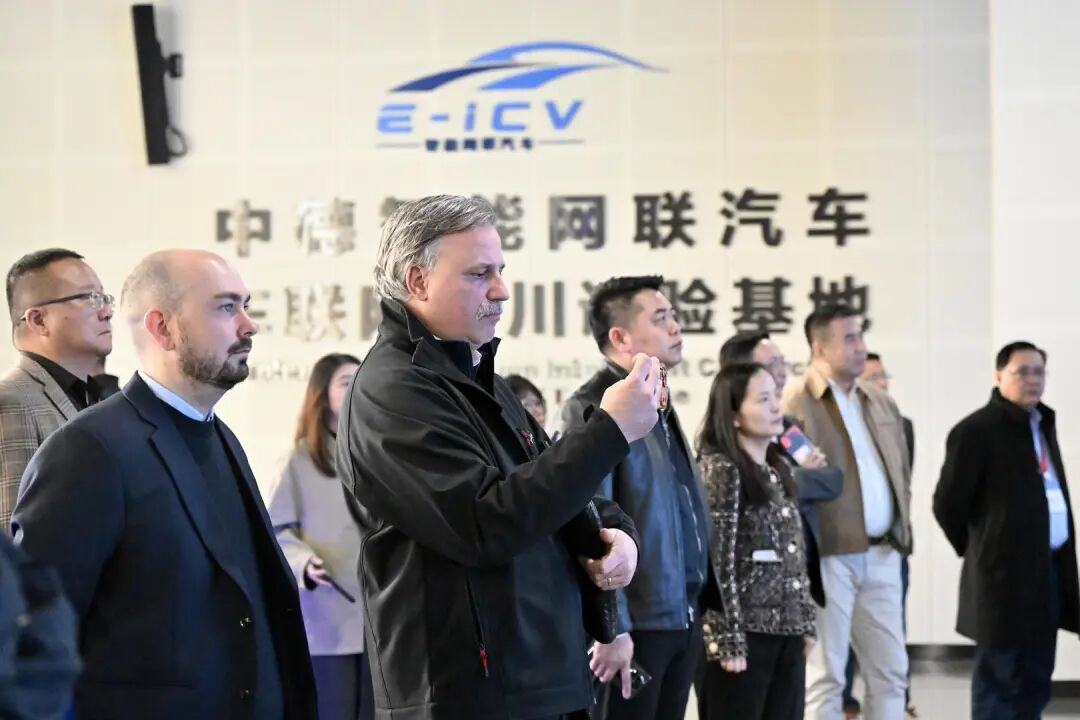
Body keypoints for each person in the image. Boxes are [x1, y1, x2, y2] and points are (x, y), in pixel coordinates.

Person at [337, 195, 660, 720]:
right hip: (472, 693)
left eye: (500, 271)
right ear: (417, 282)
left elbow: (549, 485)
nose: (501, 290)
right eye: (479, 273)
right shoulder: (392, 390)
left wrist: (617, 534)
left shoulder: (475, 376)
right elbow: (485, 523)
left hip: (538, 679)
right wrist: (610, 430)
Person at [11, 249, 317, 720]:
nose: (248, 325)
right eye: (225, 307)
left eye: (246, 305)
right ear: (163, 328)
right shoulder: (90, 450)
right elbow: (34, 636)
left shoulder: (221, 437)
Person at [559, 275, 708, 720]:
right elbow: (592, 525)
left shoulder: (657, 401)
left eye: (673, 315)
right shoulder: (594, 405)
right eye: (660, 318)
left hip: (680, 615)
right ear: (620, 337)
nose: (676, 327)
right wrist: (614, 627)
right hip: (637, 626)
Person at [934, 341, 1079, 720]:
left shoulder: (1041, 424)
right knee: (999, 684)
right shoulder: (975, 431)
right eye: (1022, 371)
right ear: (999, 376)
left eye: (1039, 371)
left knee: (1035, 680)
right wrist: (983, 548)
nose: (1032, 380)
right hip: (1002, 579)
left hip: (1047, 572)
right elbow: (947, 505)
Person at [781, 304, 911, 719]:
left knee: (891, 672)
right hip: (829, 556)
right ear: (819, 347)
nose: (861, 347)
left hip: (884, 551)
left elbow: (900, 470)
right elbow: (784, 480)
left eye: (861, 336)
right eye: (850, 338)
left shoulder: (879, 402)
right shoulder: (795, 401)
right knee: (826, 675)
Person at [696, 362, 816, 719]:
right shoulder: (721, 469)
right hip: (743, 639)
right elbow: (716, 561)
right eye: (763, 399)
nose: (777, 406)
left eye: (776, 396)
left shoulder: (778, 468)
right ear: (734, 415)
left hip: (786, 635)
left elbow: (794, 553)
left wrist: (804, 621)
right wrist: (726, 638)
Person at [267, 352, 373, 720]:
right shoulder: (298, 461)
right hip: (328, 613)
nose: (357, 388)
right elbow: (277, 532)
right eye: (346, 382)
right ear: (322, 395)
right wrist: (304, 563)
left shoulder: (376, 454)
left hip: (378, 617)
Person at [0, 248, 113, 533]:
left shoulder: (91, 397)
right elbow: (12, 537)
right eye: (89, 299)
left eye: (104, 298)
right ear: (38, 320)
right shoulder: (13, 400)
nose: (106, 312)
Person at [845, 352, 917, 718]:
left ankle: (899, 703)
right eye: (872, 377)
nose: (881, 383)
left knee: (890, 650)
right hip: (841, 552)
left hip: (888, 549)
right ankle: (845, 703)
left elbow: (901, 484)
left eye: (882, 375)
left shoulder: (900, 425)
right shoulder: (836, 421)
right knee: (834, 655)